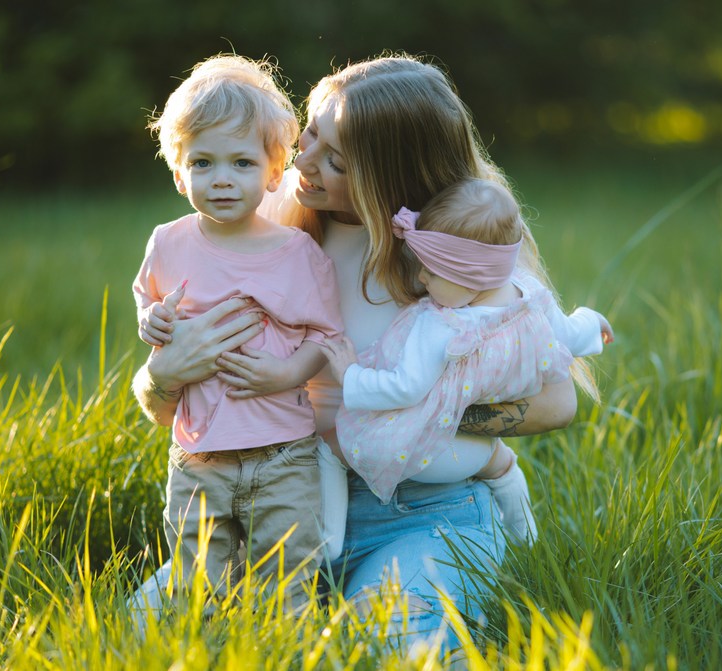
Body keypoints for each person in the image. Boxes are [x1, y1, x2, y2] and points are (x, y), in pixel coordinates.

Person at [131, 53, 586, 653]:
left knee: (394, 645)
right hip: (281, 503)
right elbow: (174, 404)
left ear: (392, 178)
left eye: (337, 160)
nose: (304, 161)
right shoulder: (269, 226)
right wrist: (161, 376)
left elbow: (557, 401)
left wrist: (407, 416)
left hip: (424, 514)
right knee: (148, 628)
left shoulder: (459, 249)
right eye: (311, 132)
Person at [131, 54, 344, 607]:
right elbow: (149, 300)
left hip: (283, 452)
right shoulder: (168, 242)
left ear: (275, 172)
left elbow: (325, 336)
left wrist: (284, 372)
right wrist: (151, 321)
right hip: (200, 453)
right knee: (194, 580)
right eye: (202, 163)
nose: (221, 179)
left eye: (242, 164)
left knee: (289, 571)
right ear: (179, 173)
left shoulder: (297, 254)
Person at [319, 177, 613, 545]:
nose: (422, 278)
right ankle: (527, 541)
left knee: (331, 448)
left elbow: (405, 388)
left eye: (432, 271)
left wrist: (351, 375)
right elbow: (568, 334)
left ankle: (326, 543)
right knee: (503, 465)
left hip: (424, 456)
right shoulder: (531, 297)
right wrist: (595, 323)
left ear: (471, 277)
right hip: (475, 455)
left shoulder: (440, 324)